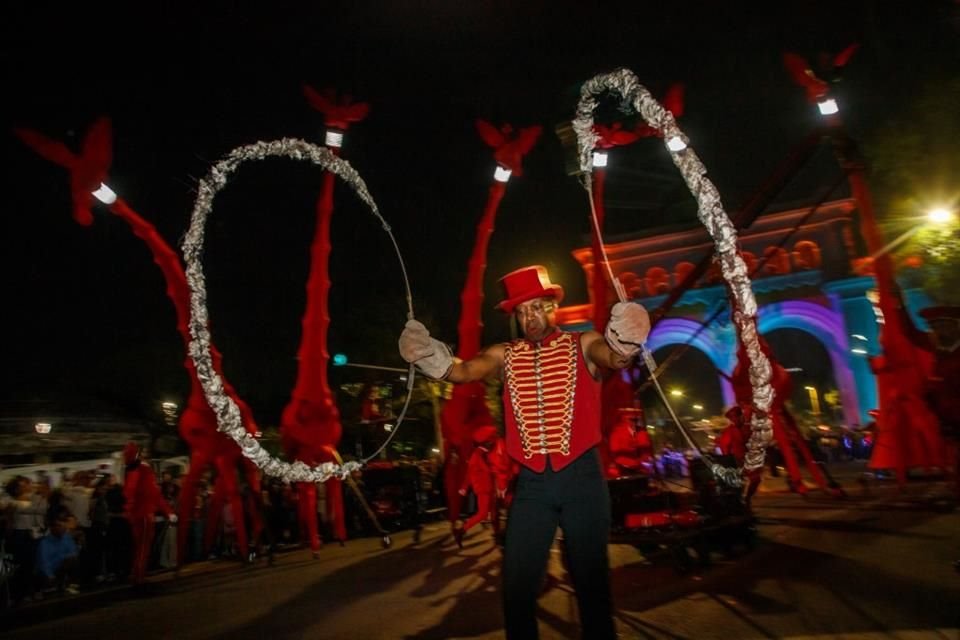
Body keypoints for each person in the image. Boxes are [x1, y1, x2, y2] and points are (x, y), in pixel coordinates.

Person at [400, 264, 650, 640]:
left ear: (552, 307)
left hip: (582, 480)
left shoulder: (583, 342)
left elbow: (612, 357)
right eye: (521, 311)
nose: (529, 317)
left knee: (592, 589)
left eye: (536, 307)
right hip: (532, 487)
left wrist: (624, 344)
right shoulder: (504, 354)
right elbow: (464, 370)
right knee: (516, 590)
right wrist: (429, 356)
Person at [122, 442, 176, 584]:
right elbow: (154, 493)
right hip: (145, 514)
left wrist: (128, 511)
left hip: (134, 515)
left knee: (138, 546)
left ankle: (135, 572)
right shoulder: (144, 470)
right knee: (144, 546)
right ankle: (139, 575)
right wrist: (169, 512)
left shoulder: (129, 470)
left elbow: (128, 493)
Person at [455, 425, 505, 547]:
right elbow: (471, 473)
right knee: (482, 513)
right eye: (490, 440)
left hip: (490, 488)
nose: (492, 442)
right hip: (483, 489)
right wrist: (464, 487)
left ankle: (497, 535)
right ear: (485, 442)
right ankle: (462, 530)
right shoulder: (477, 455)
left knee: (494, 513)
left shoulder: (485, 454)